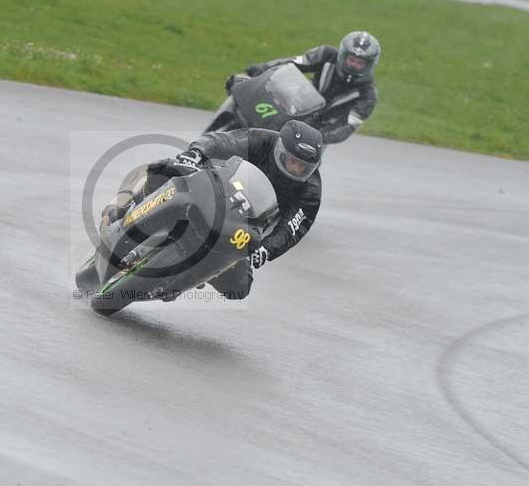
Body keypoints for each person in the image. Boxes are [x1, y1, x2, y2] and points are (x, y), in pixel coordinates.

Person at [152, 120, 323, 300]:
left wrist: (267, 249)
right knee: (164, 169)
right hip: (212, 190)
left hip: (241, 227)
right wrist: (196, 153)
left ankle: (187, 280)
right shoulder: (261, 140)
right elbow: (221, 141)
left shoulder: (310, 190)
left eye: (303, 166)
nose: (296, 169)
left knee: (239, 287)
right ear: (281, 150)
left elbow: (291, 229)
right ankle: (129, 207)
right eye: (292, 161)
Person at [234, 31, 381, 144]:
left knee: (298, 171)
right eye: (352, 59)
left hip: (316, 131)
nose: (354, 65)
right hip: (295, 106)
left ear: (369, 65)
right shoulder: (326, 55)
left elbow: (346, 128)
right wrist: (263, 68)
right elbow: (293, 62)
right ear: (343, 56)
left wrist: (316, 137)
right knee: (246, 97)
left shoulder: (368, 95)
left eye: (360, 63)